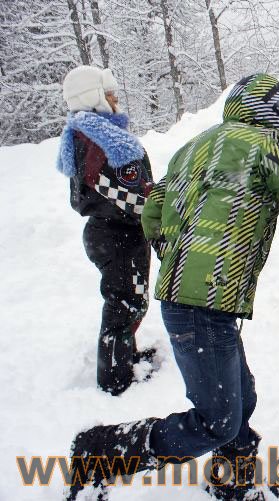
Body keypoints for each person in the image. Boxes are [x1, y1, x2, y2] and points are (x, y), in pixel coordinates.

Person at [66, 74, 279, 501]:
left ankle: (233, 476)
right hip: (202, 304)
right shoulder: (269, 149)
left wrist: (177, 255)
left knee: (240, 396)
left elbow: (153, 211)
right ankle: (102, 452)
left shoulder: (194, 146)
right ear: (267, 112)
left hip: (194, 300)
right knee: (216, 418)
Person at [56, 65, 156, 396]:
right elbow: (128, 195)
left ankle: (126, 357)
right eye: (109, 94)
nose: (116, 99)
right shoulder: (105, 142)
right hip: (119, 235)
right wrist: (159, 205)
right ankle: (115, 377)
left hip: (109, 231)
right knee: (126, 302)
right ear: (94, 98)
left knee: (128, 299)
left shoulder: (87, 135)